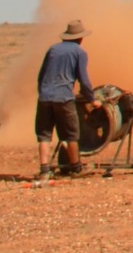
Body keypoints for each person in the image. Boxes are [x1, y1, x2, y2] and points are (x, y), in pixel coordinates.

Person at [35, 20, 96, 177]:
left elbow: (41, 76)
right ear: (80, 38)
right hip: (64, 98)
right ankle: (76, 168)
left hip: (45, 98)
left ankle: (44, 170)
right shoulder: (79, 52)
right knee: (71, 135)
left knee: (44, 135)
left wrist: (43, 93)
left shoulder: (53, 49)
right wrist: (92, 98)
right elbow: (84, 80)